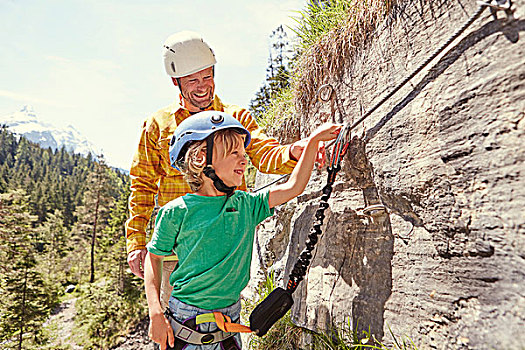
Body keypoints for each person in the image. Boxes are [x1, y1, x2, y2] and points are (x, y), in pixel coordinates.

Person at [126, 30, 326, 309]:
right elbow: (142, 186)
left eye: (207, 76)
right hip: (177, 255)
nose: (202, 86)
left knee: (225, 322)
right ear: (176, 82)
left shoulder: (236, 118)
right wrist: (136, 241)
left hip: (227, 250)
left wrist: (293, 151)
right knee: (178, 329)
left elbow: (265, 153)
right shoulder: (157, 126)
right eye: (192, 80)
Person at [144, 111, 341, 350]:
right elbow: (153, 257)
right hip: (185, 323)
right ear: (199, 159)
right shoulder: (176, 212)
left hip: (229, 325)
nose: (244, 160)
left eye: (244, 153)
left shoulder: (246, 204)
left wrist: (313, 142)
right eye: (234, 153)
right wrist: (155, 313)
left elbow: (294, 186)